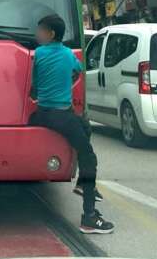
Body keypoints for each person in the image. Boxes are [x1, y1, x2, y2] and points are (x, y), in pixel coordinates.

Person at [30, 13, 114, 235]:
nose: (37, 34)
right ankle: (89, 216)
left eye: (40, 31)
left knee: (84, 126)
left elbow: (34, 85)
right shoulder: (68, 55)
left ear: (51, 34)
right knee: (89, 158)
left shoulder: (37, 54)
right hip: (62, 116)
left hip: (41, 113)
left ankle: (82, 186)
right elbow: (78, 70)